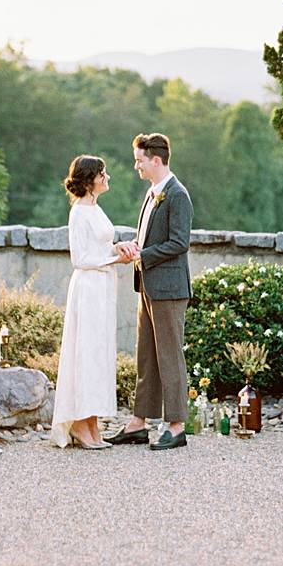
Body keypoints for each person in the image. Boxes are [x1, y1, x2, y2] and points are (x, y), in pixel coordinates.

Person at [106, 132, 193, 451]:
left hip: (169, 288)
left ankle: (177, 425)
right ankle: (139, 422)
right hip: (147, 284)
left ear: (156, 160)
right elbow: (150, 236)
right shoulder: (152, 192)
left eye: (139, 160)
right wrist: (134, 248)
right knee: (146, 356)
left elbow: (180, 242)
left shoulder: (177, 194)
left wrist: (144, 255)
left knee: (170, 356)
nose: (136, 166)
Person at [50, 155, 137, 449]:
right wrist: (115, 257)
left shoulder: (95, 209)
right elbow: (80, 258)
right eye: (103, 173)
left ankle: (92, 424)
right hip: (88, 289)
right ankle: (79, 422)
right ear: (90, 179)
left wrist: (118, 247)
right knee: (87, 353)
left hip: (103, 287)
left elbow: (98, 246)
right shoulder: (79, 213)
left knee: (100, 354)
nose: (107, 176)